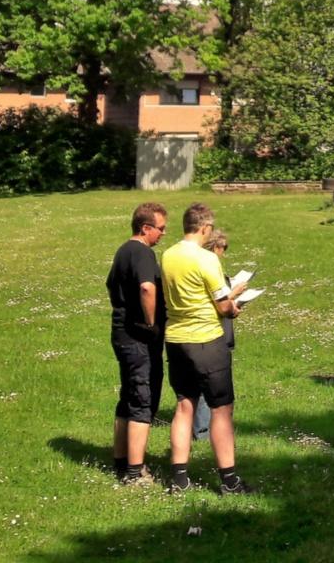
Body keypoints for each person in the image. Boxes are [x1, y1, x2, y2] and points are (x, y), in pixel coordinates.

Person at [161, 202, 252, 495]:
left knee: (184, 405)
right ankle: (229, 480)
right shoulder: (207, 259)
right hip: (207, 341)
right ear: (204, 228)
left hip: (176, 339)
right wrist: (234, 308)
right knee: (221, 410)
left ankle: (179, 479)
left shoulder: (167, 255)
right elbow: (224, 305)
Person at [105, 201, 167, 485]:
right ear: (146, 228)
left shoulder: (122, 251)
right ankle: (134, 472)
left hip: (120, 332)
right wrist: (151, 322)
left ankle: (120, 461)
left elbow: (111, 286)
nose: (163, 234)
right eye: (161, 229)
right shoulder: (142, 253)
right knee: (142, 399)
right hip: (138, 338)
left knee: (127, 398)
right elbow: (146, 287)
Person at [192, 230, 235, 440]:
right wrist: (233, 295)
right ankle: (203, 430)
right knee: (205, 388)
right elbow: (216, 304)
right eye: (222, 249)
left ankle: (212, 428)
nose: (223, 254)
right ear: (214, 248)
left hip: (219, 335)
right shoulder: (205, 268)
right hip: (209, 336)